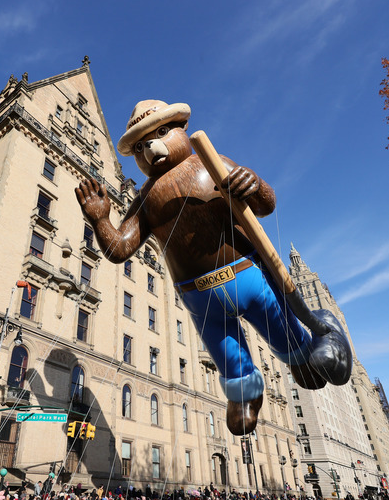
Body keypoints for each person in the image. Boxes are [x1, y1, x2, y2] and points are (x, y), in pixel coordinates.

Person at [76, 100, 351, 435]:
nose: (150, 147)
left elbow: (265, 204)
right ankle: (245, 396)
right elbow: (120, 248)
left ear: (181, 129)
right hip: (198, 297)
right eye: (140, 145)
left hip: (248, 274)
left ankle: (300, 356)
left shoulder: (213, 165)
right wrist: (101, 219)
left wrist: (254, 184)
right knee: (226, 353)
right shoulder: (145, 201)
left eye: (161, 133)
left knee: (282, 329)